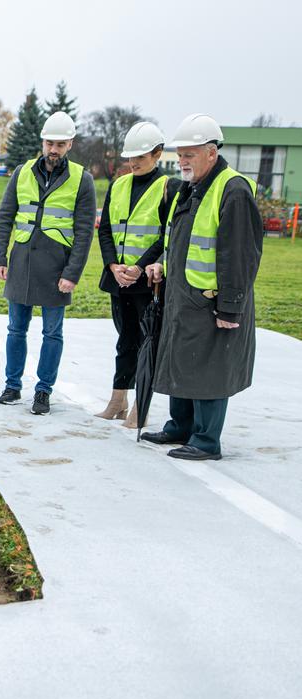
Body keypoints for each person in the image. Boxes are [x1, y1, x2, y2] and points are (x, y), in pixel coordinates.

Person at [140, 114, 263, 461]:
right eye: (180, 155)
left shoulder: (233, 190)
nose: (182, 162)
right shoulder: (190, 188)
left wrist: (230, 307)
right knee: (181, 359)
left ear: (211, 152)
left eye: (189, 155)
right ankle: (180, 426)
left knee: (209, 367)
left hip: (211, 303)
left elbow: (240, 255)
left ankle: (207, 440)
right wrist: (162, 264)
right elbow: (180, 240)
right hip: (183, 297)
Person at [0, 111, 96, 415]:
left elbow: (84, 231)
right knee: (15, 329)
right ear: (42, 142)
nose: (54, 149)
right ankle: (12, 386)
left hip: (56, 268)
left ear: (70, 145)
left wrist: (72, 274)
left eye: (60, 144)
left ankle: (43, 391)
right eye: (50, 143)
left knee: (52, 333)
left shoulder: (82, 179)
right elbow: (5, 217)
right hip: (22, 263)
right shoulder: (21, 173)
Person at [94, 121, 178, 428]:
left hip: (147, 282)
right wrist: (113, 265)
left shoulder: (170, 187)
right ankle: (118, 400)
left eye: (140, 157)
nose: (133, 162)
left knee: (148, 343)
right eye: (130, 157)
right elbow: (105, 230)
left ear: (157, 154)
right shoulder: (118, 185)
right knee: (124, 340)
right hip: (120, 280)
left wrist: (139, 267)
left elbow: (166, 236)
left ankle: (140, 406)